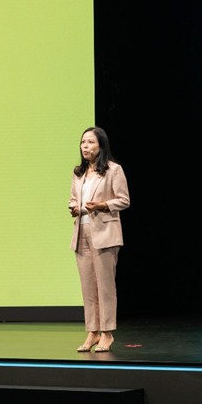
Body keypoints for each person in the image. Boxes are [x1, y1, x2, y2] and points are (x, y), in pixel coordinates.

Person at [68, 127, 130, 353]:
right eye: (83, 142)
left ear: (101, 145)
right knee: (88, 287)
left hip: (105, 234)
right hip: (81, 233)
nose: (85, 146)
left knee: (105, 286)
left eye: (90, 142)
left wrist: (103, 205)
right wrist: (74, 207)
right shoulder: (79, 173)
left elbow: (124, 200)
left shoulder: (113, 170)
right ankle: (92, 332)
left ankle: (107, 333)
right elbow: (73, 198)